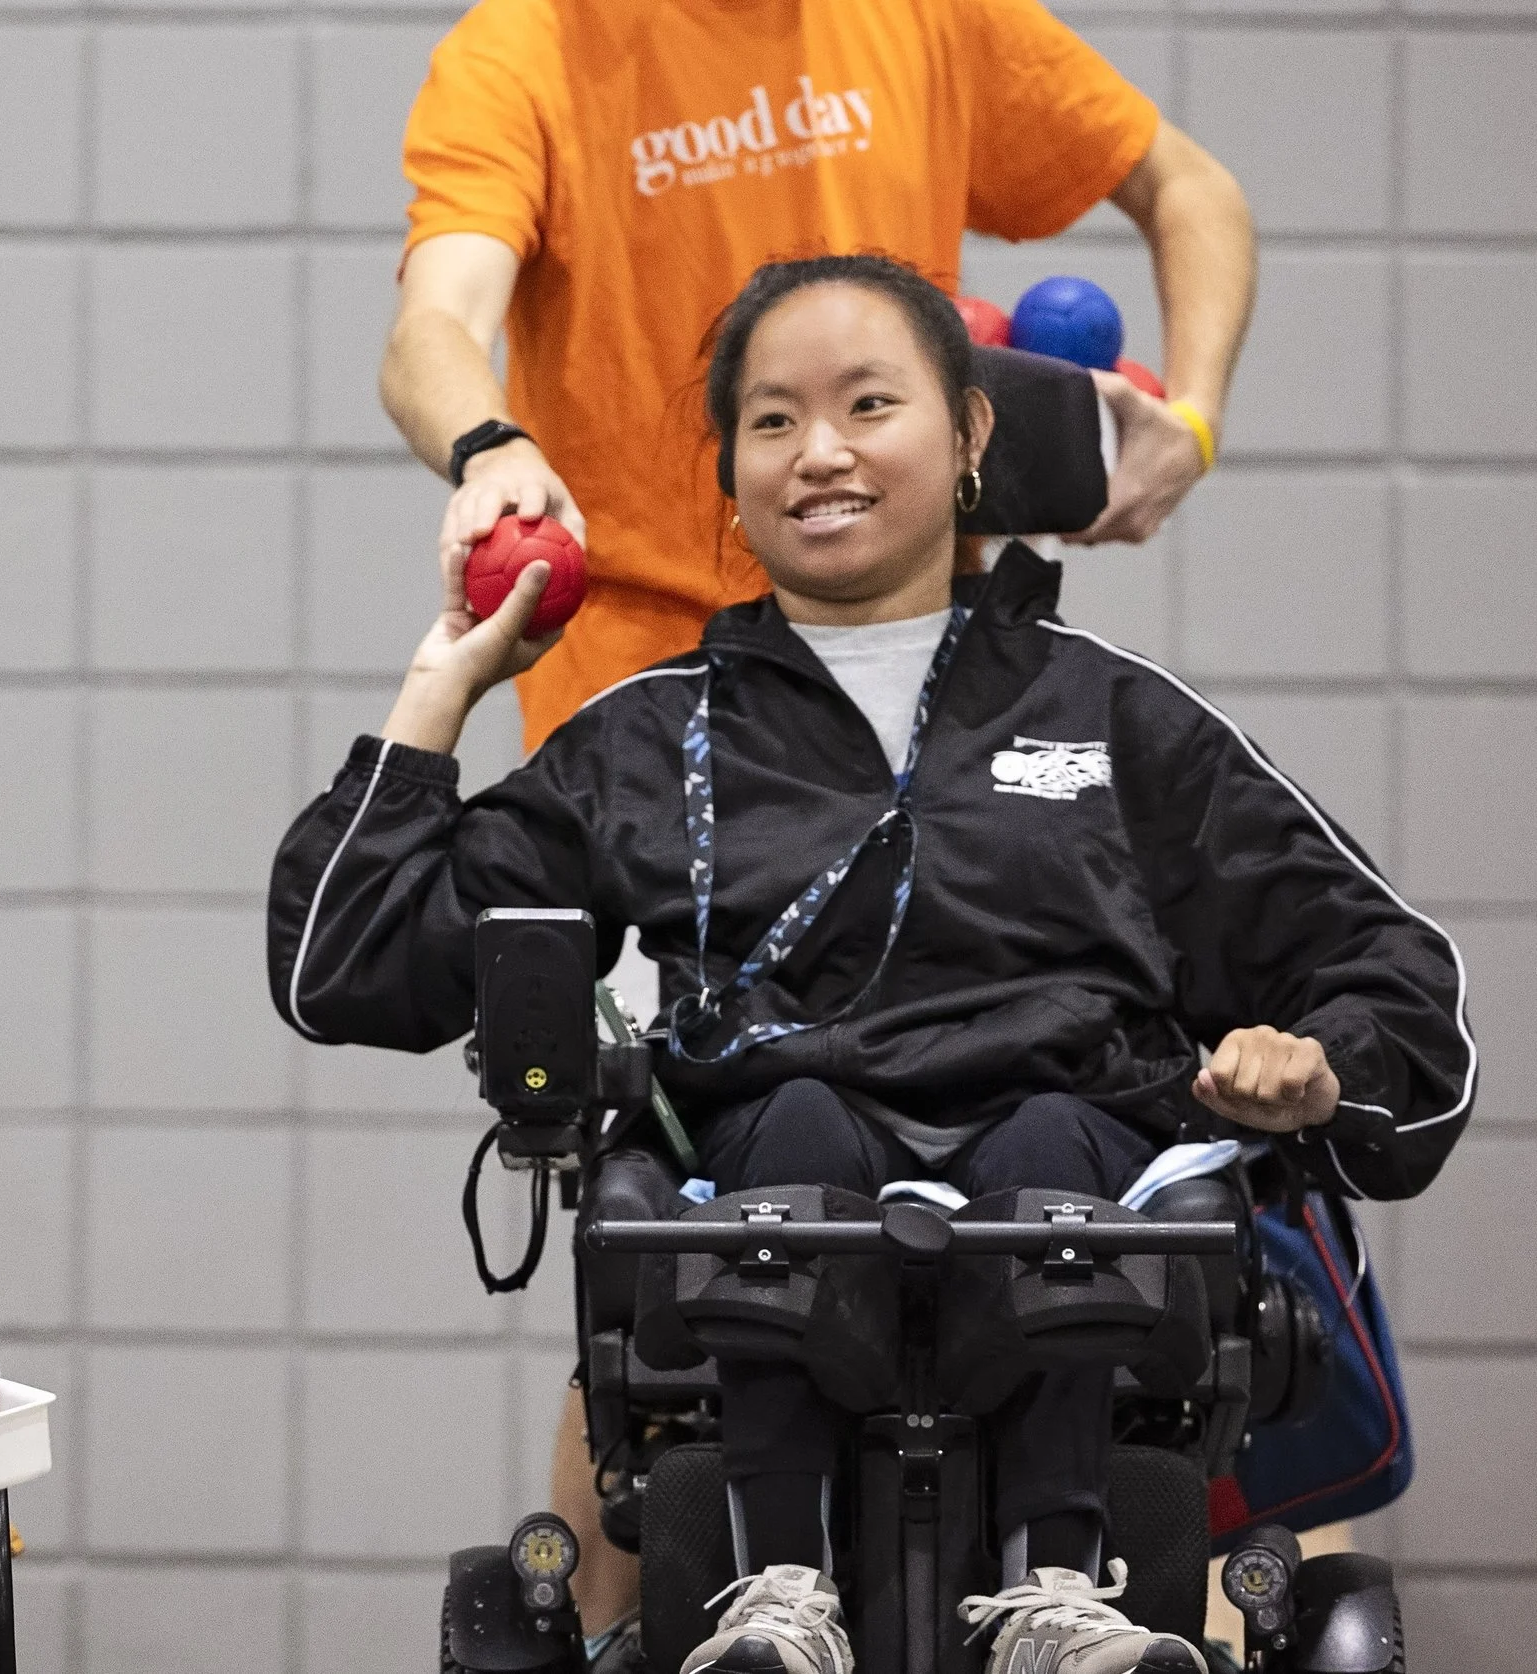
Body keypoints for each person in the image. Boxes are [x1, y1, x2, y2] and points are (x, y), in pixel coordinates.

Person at [274, 255, 1470, 1674]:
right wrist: (442, 688)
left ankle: (1061, 1601)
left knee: (1043, 1132)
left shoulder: (1117, 716)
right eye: (771, 420)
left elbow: (1398, 978)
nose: (819, 451)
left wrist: (1317, 1060)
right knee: (794, 1123)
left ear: (967, 437)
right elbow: (345, 964)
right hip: (772, 1203)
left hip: (1073, 1197)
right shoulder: (652, 738)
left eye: (867, 404)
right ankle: (774, 1599)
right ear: (728, 469)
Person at [382, 0, 1256, 753]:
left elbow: (1190, 186)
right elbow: (435, 324)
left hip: (929, 659)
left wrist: (1194, 421)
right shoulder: (524, 47)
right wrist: (493, 450)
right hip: (653, 687)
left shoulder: (925, 15)